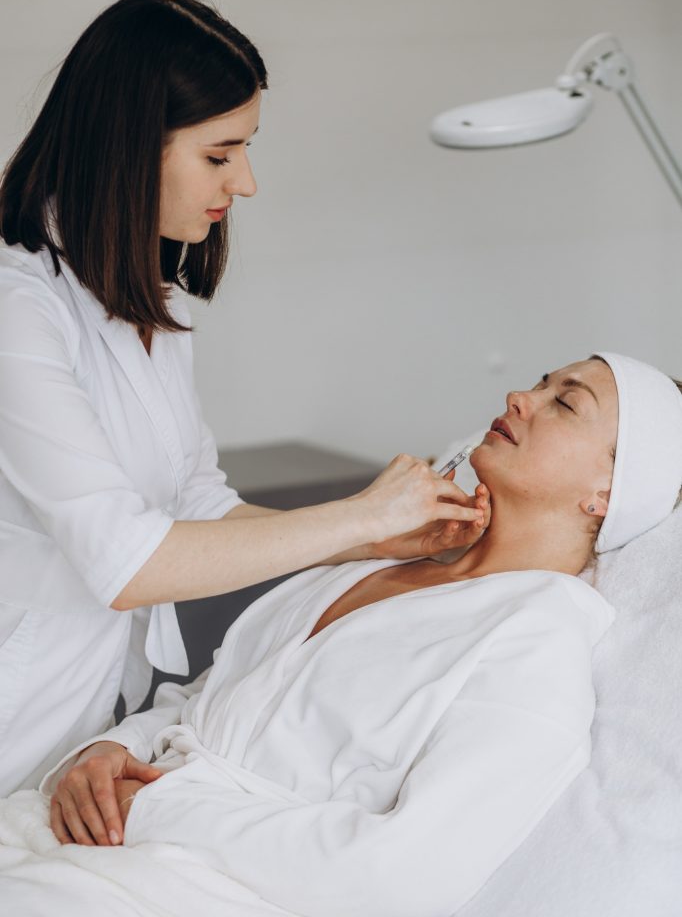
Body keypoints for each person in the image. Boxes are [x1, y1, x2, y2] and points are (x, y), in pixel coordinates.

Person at [0, 0, 489, 797]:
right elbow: (126, 561)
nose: (247, 182)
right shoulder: (18, 313)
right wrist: (360, 515)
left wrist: (368, 543)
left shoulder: (149, 303)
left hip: (78, 720)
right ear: (127, 146)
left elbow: (199, 503)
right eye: (220, 154)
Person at [2, 352, 676, 917]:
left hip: (188, 891)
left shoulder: (537, 651)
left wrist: (153, 807)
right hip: (66, 832)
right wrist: (105, 753)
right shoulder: (388, 559)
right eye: (540, 381)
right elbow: (213, 697)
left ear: (608, 491)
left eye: (565, 403)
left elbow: (402, 874)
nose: (520, 397)